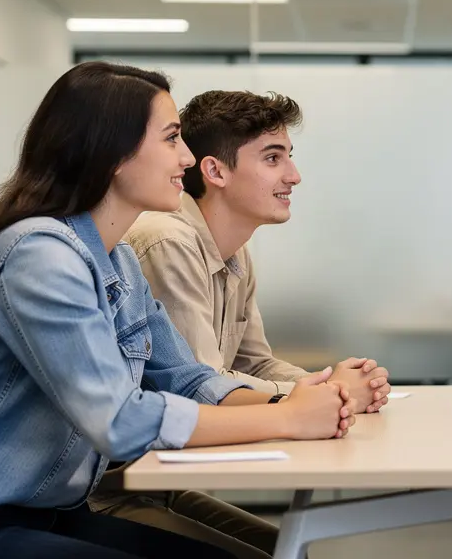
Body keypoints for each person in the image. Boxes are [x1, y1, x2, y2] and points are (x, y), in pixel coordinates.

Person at [0, 62, 356, 559]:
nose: (187, 157)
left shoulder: (118, 260)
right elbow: (119, 421)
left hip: (45, 514)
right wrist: (289, 419)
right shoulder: (39, 256)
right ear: (113, 155)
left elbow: (188, 380)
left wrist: (294, 402)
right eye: (171, 139)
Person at [85, 89, 393, 555]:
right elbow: (198, 386)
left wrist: (324, 388)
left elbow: (245, 367)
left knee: (289, 548)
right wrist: (316, 398)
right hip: (115, 487)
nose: (294, 175)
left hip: (157, 482)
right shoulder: (165, 240)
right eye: (273, 158)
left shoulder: (232, 253)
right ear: (215, 171)